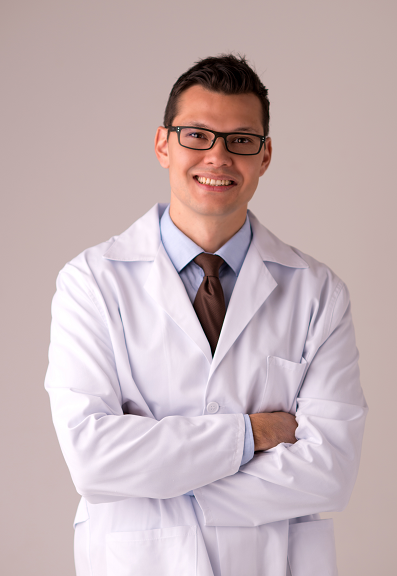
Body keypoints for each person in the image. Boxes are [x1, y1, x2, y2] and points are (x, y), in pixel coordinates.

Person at [45, 54, 367, 576]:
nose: (218, 156)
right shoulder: (91, 282)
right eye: (196, 135)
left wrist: (156, 476)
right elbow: (93, 460)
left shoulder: (317, 292)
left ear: (264, 156)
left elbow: (330, 471)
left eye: (240, 140)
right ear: (163, 145)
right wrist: (253, 434)